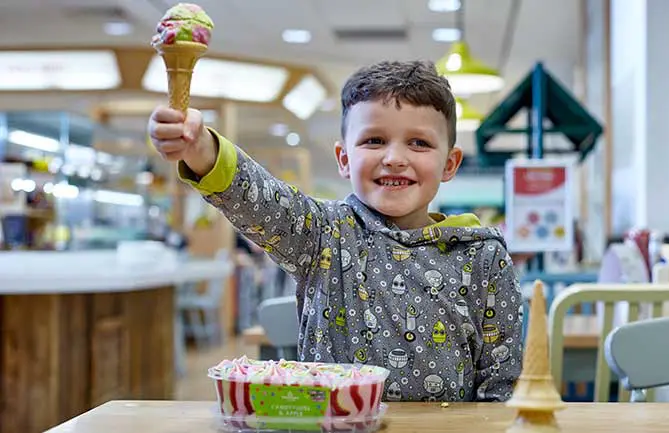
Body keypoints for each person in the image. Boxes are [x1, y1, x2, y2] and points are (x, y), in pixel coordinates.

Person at [148, 60, 523, 402]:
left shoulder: (483, 257)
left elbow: (502, 387)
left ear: (449, 163)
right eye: (374, 140)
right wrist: (201, 150)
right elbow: (259, 199)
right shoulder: (324, 234)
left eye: (419, 143)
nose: (394, 157)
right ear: (344, 159)